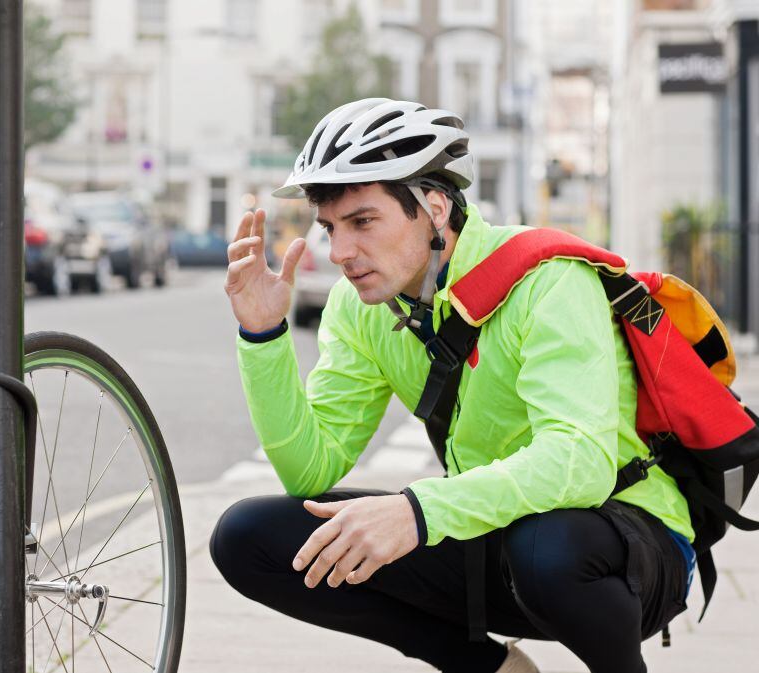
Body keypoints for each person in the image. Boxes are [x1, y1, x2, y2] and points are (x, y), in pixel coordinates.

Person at [209, 98, 695, 673]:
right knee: (249, 537)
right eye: (330, 228)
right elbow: (310, 472)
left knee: (547, 547)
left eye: (363, 222)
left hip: (625, 548)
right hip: (492, 535)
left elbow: (580, 462)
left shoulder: (550, 282)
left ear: (434, 207)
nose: (340, 253)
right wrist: (263, 335)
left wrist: (417, 512)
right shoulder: (361, 307)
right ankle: (488, 668)